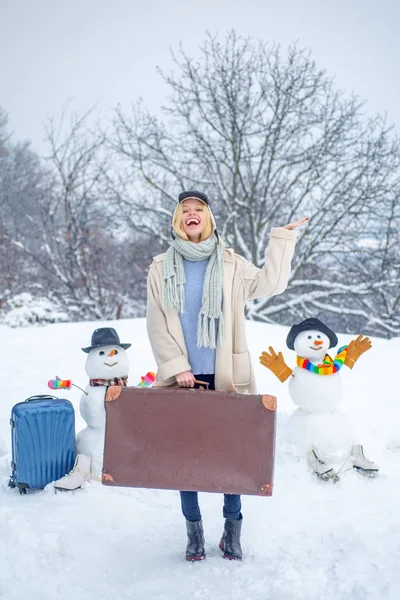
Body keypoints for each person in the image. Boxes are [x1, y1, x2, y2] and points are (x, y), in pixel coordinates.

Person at [146, 190, 306, 561]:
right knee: (186, 460)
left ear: (209, 217)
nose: (191, 214)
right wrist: (177, 368)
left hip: (226, 374)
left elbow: (271, 284)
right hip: (184, 377)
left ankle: (231, 532)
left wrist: (281, 239)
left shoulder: (232, 264)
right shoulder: (160, 268)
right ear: (177, 220)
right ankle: (194, 533)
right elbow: (156, 323)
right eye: (184, 210)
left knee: (229, 456)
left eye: (198, 209)